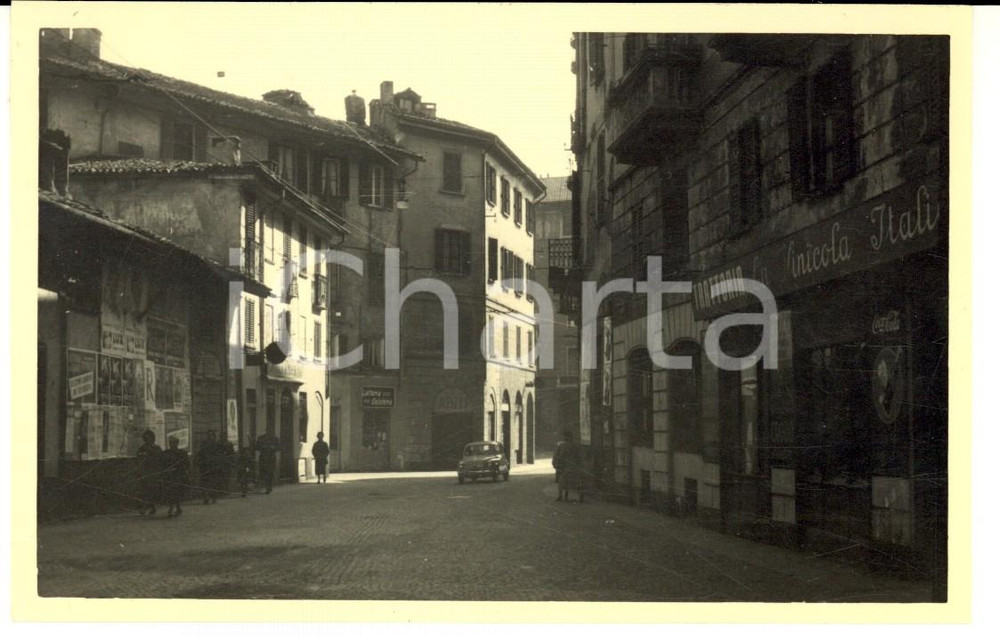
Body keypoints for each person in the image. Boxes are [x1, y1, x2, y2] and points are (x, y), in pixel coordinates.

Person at [553, 430, 585, 503]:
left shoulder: (561, 446)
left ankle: (561, 496)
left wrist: (556, 465)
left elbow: (558, 456)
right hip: (574, 466)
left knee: (562, 482)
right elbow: (580, 457)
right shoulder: (575, 445)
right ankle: (580, 497)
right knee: (577, 481)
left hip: (565, 467)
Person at [135, 430, 162, 515]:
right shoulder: (142, 448)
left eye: (148, 437)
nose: (147, 439)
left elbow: (160, 460)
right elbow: (139, 458)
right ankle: (148, 507)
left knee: (150, 490)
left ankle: (147, 507)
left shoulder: (156, 448)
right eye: (145, 438)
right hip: (144, 472)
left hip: (154, 472)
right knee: (144, 490)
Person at [162, 436, 190, 518]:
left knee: (176, 492)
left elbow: (187, 465)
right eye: (170, 443)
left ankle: (174, 508)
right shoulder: (166, 453)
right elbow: (162, 463)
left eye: (174, 443)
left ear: (177, 443)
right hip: (169, 476)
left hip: (178, 476)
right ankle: (174, 507)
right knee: (170, 492)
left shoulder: (182, 453)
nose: (172, 445)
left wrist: (180, 469)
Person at [255, 428, 280, 494]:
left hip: (271, 458)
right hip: (263, 457)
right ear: (266, 431)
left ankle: (268, 487)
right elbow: (257, 447)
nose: (269, 432)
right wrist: (263, 447)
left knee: (270, 472)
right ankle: (266, 486)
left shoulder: (275, 438)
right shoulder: (261, 438)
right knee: (264, 472)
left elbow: (278, 448)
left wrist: (273, 447)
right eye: (268, 431)